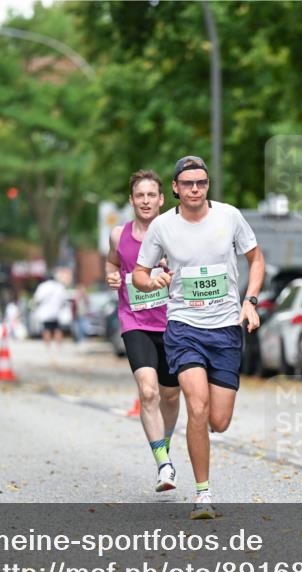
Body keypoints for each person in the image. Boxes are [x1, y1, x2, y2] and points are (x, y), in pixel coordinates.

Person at [133, 156, 265, 519]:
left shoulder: (229, 217)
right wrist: (153, 281)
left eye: (201, 183)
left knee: (218, 420)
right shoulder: (162, 227)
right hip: (184, 328)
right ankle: (203, 495)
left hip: (225, 329)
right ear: (175, 188)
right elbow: (140, 274)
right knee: (197, 406)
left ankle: (199, 432)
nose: (195, 189)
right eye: (188, 183)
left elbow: (256, 259)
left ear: (208, 185)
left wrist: (250, 301)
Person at [106, 169, 182, 493]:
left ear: (162, 199)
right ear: (132, 200)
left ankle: (164, 444)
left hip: (172, 322)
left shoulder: (176, 232)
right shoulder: (118, 235)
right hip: (134, 321)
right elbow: (113, 263)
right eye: (140, 195)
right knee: (148, 392)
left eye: (152, 195)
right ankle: (163, 464)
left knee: (171, 394)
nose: (146, 201)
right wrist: (111, 276)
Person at [31, 273, 66, 347]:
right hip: (56, 312)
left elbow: (37, 299)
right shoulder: (59, 286)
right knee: (57, 329)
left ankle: (47, 346)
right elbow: (63, 300)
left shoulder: (43, 286)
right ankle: (59, 346)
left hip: (45, 312)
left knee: (46, 328)